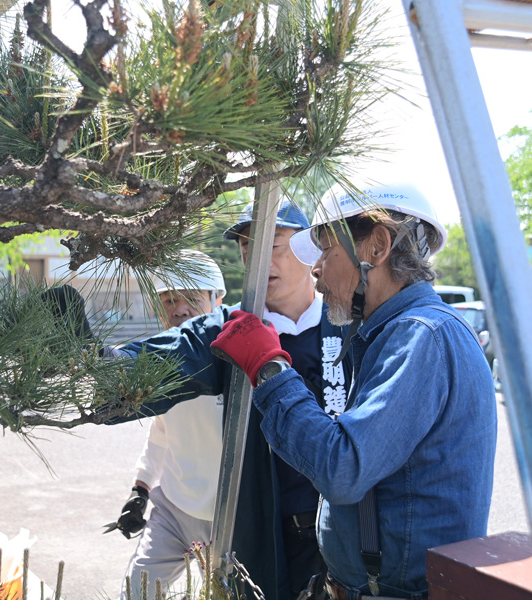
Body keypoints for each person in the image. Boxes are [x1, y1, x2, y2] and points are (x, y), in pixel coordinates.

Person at [210, 182, 497, 599]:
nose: (316, 269)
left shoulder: (420, 338)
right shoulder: (395, 334)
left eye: (326, 251)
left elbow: (343, 470)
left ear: (376, 247)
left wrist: (269, 368)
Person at [107, 200, 350, 600]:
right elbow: (177, 350)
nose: (258, 258)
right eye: (247, 247)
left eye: (273, 245)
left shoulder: (347, 325)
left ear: (310, 249)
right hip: (256, 526)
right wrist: (106, 364)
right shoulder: (236, 327)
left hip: (335, 528)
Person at [116, 250, 228, 598]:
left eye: (192, 298)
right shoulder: (161, 361)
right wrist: (140, 490)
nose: (179, 309)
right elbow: (161, 432)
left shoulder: (240, 357)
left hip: (231, 515)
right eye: (168, 300)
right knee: (138, 590)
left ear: (218, 299)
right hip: (175, 508)